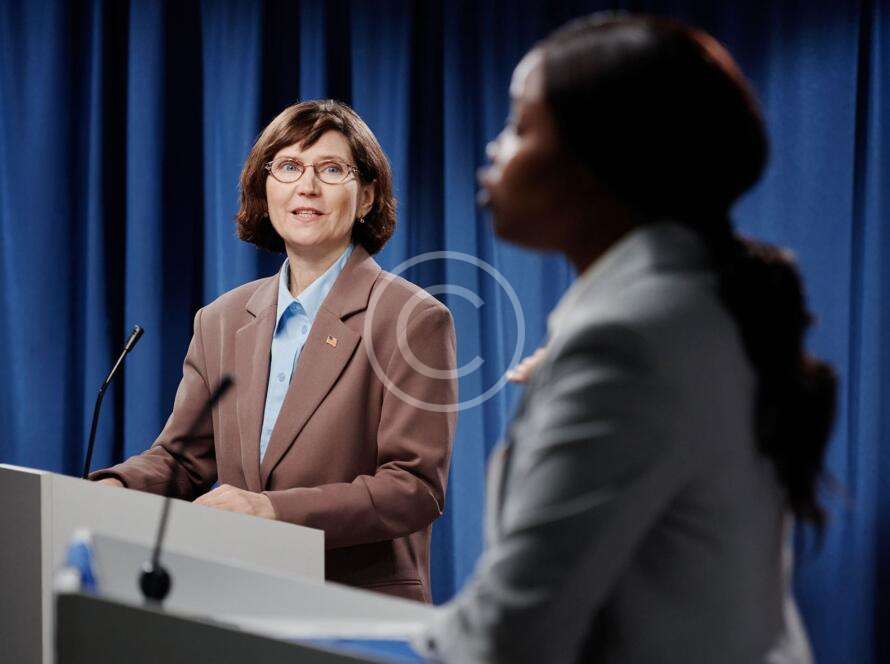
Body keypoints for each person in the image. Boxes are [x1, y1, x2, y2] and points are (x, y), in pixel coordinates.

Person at [420, 13, 835, 662]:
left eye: (521, 127)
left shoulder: (628, 340)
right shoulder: (690, 309)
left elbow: (507, 636)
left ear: (597, 160)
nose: (496, 149)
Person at [91, 100, 457, 603]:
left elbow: (413, 489)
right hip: (239, 597)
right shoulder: (220, 320)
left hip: (356, 605)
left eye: (331, 169)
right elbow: (183, 460)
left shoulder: (412, 319)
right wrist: (111, 489)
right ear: (265, 190)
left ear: (367, 197)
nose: (307, 186)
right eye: (288, 167)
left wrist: (273, 511)